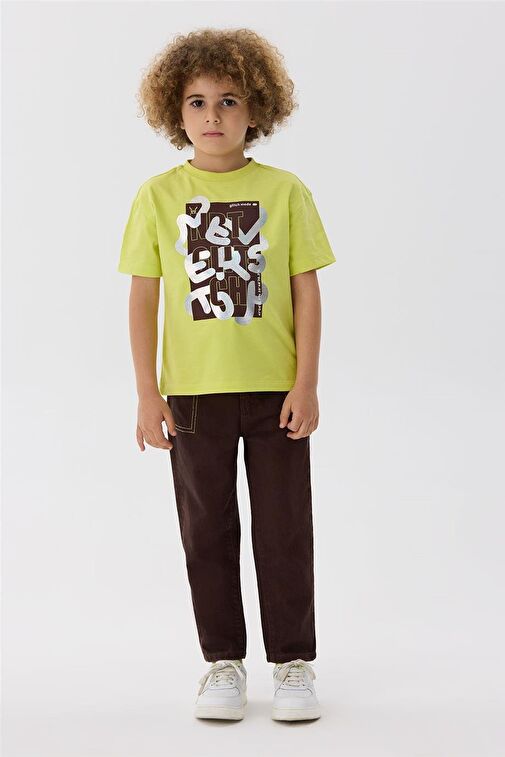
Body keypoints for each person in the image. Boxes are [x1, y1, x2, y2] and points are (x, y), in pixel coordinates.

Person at [117, 28, 336, 722]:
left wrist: (306, 382)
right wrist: (147, 392)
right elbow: (143, 297)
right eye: (197, 102)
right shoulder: (157, 197)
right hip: (191, 396)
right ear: (174, 112)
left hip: (275, 391)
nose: (213, 115)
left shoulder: (285, 191)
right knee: (206, 531)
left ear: (256, 108)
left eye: (229, 100)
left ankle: (292, 661)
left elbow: (305, 291)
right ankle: (222, 662)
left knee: (284, 528)